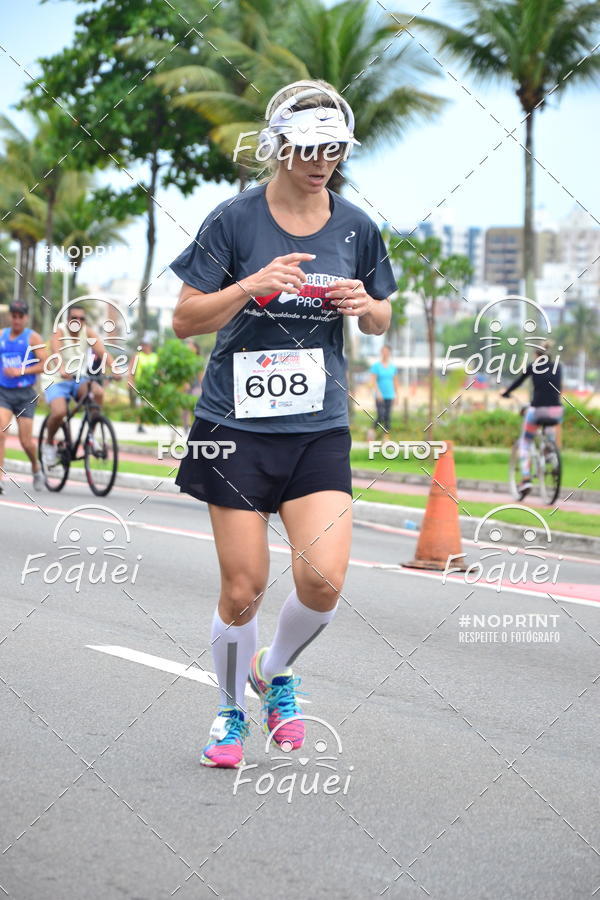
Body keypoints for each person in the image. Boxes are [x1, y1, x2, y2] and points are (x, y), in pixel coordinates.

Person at [170, 79, 396, 768]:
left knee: (323, 582)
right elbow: (184, 321)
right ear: (278, 145)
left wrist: (365, 304)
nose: (321, 158)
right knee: (243, 588)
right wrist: (250, 287)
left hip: (318, 428)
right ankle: (231, 711)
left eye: (333, 147)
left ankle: (278, 669)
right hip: (233, 427)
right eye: (307, 146)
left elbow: (385, 317)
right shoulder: (233, 221)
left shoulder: (357, 225)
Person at [40, 304, 119, 467]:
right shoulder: (60, 331)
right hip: (56, 380)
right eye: (73, 318)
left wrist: (116, 369)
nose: (78, 321)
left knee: (97, 392)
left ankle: (90, 436)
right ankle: (48, 444)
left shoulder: (88, 332)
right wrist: (61, 368)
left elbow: (102, 352)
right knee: (59, 412)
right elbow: (55, 352)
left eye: (81, 318)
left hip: (78, 379)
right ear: (68, 319)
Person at [501, 339, 563, 498]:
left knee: (525, 442)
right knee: (549, 428)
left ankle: (526, 478)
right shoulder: (559, 367)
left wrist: (506, 393)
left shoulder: (533, 366)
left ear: (536, 354)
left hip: (537, 410)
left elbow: (518, 382)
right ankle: (550, 454)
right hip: (556, 411)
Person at [0, 300, 48, 493]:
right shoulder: (2, 336)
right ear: (10, 316)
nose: (17, 320)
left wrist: (21, 370)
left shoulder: (33, 338)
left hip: (25, 394)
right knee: (1, 432)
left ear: (26, 318)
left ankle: (36, 468)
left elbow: (45, 364)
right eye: (14, 316)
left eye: (21, 316)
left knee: (25, 442)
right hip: (3, 392)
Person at [130, 337, 158, 433]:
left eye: (146, 345)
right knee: (140, 405)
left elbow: (159, 371)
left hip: (152, 385)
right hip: (140, 384)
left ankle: (148, 423)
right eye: (143, 345)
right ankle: (139, 424)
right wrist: (130, 381)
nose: (144, 347)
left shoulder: (155, 357)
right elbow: (132, 370)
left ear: (150, 346)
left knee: (149, 405)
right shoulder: (137, 356)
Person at [369, 344, 398, 433]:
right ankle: (371, 431)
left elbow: (395, 382)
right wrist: (378, 393)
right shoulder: (376, 366)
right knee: (381, 415)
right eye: (383, 351)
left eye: (387, 351)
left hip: (390, 395)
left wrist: (396, 395)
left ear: (390, 353)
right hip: (379, 395)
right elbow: (373, 381)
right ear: (381, 352)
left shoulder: (393, 367)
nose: (385, 353)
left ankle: (386, 437)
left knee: (387, 417)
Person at [182, 340, 203, 431]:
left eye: (191, 346)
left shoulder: (198, 360)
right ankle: (186, 425)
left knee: (194, 405)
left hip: (196, 386)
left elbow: (200, 375)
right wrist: (184, 383)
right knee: (185, 407)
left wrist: (203, 388)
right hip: (186, 385)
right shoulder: (184, 359)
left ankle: (193, 425)